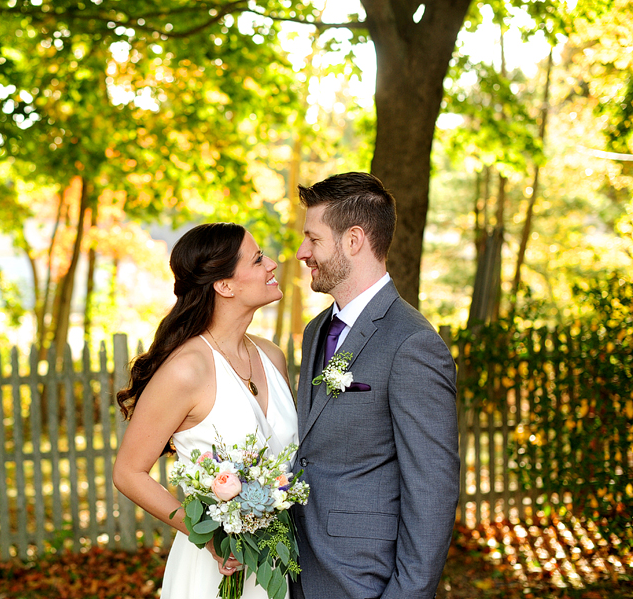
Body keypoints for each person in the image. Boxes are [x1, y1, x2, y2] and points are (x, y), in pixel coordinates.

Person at [290, 172, 460, 599]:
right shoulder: (315, 331)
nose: (301, 253)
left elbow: (432, 492)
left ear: (353, 240)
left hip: (365, 580)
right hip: (298, 572)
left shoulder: (413, 344)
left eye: (313, 239)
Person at [113, 222, 298, 599]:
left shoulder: (272, 356)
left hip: (281, 562)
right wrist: (208, 537)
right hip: (216, 569)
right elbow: (128, 472)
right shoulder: (187, 369)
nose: (273, 264)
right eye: (259, 258)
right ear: (224, 285)